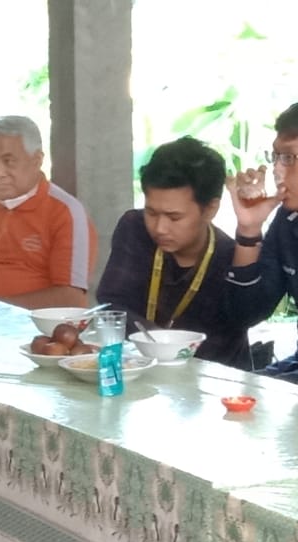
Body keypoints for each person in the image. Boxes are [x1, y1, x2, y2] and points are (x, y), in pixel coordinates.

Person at [97, 136, 258, 370]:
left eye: (174, 217)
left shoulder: (230, 258)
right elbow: (113, 304)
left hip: (215, 379)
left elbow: (226, 338)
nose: (160, 228)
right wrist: (157, 344)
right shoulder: (134, 228)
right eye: (151, 213)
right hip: (145, 370)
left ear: (210, 209)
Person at [0, 115, 97, 309]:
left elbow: (70, 299)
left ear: (37, 160)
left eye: (8, 161)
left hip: (34, 325)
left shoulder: (66, 213)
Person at [225, 102, 298, 380]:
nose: (277, 170)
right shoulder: (288, 222)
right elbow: (245, 315)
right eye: (276, 156)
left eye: (289, 158)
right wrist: (249, 229)